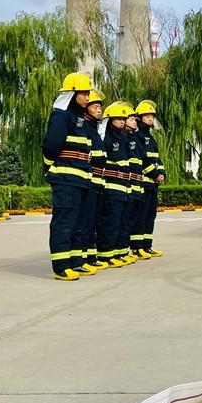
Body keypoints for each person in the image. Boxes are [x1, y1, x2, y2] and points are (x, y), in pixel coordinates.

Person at [42, 72, 97, 281]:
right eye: (83, 93)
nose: (87, 97)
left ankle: (76, 262)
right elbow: (51, 146)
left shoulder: (79, 119)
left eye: (88, 93)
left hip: (81, 180)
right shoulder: (61, 116)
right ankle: (61, 266)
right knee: (64, 223)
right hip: (65, 179)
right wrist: (49, 167)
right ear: (72, 94)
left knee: (78, 224)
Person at [97, 101, 134, 268]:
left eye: (123, 119)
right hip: (111, 187)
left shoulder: (123, 138)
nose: (122, 121)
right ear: (110, 119)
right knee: (110, 223)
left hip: (124, 187)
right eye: (118, 118)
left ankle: (118, 252)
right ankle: (106, 255)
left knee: (121, 222)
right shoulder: (107, 137)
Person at [79, 89, 109, 272]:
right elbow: (92, 156)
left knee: (93, 222)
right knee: (86, 222)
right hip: (89, 181)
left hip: (98, 182)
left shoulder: (95, 130)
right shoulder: (84, 127)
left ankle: (90, 256)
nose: (99, 110)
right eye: (95, 107)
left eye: (100, 107)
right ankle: (82, 257)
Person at [135, 100, 166, 258]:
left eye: (152, 116)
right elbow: (143, 159)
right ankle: (137, 247)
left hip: (153, 185)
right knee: (140, 216)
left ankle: (147, 245)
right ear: (139, 117)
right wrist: (155, 174)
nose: (150, 119)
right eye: (147, 116)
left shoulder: (150, 137)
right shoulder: (138, 135)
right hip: (143, 183)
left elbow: (156, 159)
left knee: (150, 216)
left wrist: (162, 173)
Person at [124, 112, 146, 261]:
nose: (134, 122)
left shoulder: (135, 138)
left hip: (137, 184)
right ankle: (123, 250)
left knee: (136, 218)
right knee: (125, 219)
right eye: (131, 119)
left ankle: (136, 248)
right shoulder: (122, 138)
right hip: (127, 184)